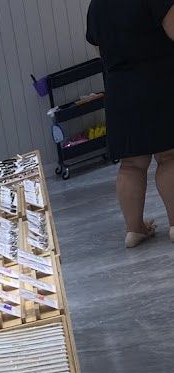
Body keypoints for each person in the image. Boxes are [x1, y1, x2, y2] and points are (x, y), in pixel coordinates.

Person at [86, 0, 174, 248]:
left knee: (131, 165)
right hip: (160, 83)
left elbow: (99, 49)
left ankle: (134, 230)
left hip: (119, 91)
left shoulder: (97, 5)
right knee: (169, 157)